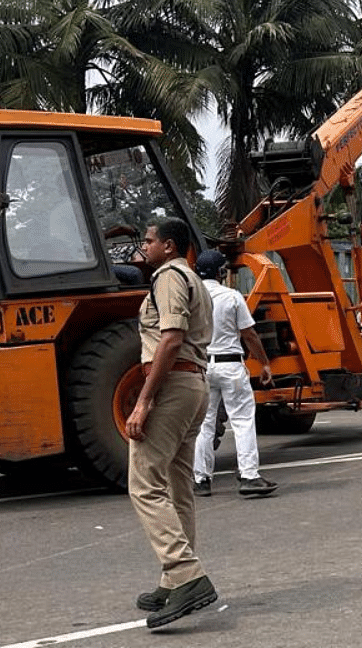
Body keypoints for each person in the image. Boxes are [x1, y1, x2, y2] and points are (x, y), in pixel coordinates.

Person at [126, 217, 218, 628]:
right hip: (195, 384)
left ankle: (185, 573)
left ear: (168, 245)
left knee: (144, 483)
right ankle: (173, 579)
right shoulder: (195, 280)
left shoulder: (167, 276)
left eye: (148, 241)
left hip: (174, 385)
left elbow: (170, 337)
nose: (144, 247)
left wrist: (144, 401)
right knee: (179, 484)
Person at [192, 249, 278, 497]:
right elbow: (249, 334)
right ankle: (249, 476)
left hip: (202, 365)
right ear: (220, 273)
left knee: (204, 424)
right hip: (230, 366)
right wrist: (264, 363)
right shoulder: (231, 297)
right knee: (242, 421)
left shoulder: (191, 298)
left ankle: (201, 480)